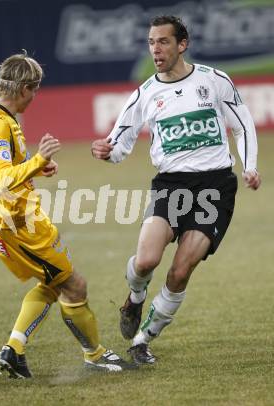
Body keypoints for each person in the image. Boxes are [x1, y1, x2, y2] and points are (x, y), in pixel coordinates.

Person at [91, 15, 261, 364]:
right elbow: (118, 144)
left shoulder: (214, 81)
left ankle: (142, 340)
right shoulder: (145, 94)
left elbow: (242, 126)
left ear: (182, 45)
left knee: (181, 270)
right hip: (170, 185)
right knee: (146, 262)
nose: (156, 48)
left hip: (215, 187)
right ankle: (135, 298)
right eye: (152, 42)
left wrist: (250, 166)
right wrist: (106, 152)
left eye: (164, 41)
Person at [0, 51, 137, 378]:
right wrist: (36, 161)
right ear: (23, 88)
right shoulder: (0, 122)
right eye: (34, 90)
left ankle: (14, 349)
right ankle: (95, 355)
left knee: (51, 281)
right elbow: (3, 176)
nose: (35, 97)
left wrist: (36, 167)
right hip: (17, 223)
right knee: (74, 286)